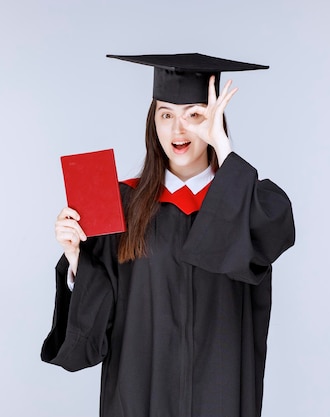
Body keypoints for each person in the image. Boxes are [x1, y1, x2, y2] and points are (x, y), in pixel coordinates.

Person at [41, 53, 296, 417]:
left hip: (220, 394)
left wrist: (224, 149)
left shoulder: (249, 203)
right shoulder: (121, 204)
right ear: (153, 122)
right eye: (166, 115)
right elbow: (93, 332)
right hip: (140, 394)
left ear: (214, 121)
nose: (178, 130)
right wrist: (76, 259)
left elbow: (268, 237)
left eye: (194, 115)